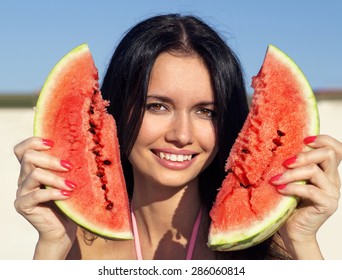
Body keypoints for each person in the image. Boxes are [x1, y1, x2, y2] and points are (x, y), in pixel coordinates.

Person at [13, 14, 341, 260]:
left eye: (206, 112)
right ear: (107, 113)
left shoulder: (274, 254)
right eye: (157, 106)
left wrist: (301, 240)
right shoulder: (71, 252)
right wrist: (52, 245)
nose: (182, 135)